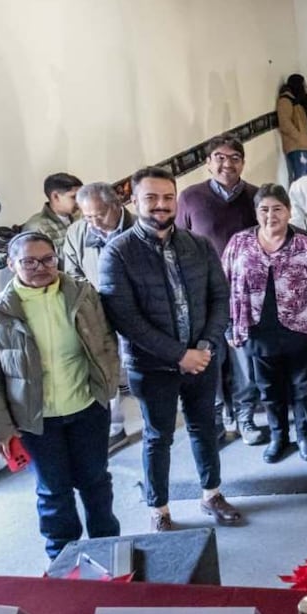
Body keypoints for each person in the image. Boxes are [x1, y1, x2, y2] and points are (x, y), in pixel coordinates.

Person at [99, 166, 241, 533]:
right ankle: (159, 508)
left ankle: (211, 494)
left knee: (204, 427)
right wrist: (180, 355)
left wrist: (206, 345)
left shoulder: (199, 244)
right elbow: (126, 319)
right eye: (151, 198)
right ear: (134, 200)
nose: (161, 205)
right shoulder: (118, 252)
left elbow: (220, 297)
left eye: (167, 197)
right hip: (152, 366)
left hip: (203, 357)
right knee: (158, 436)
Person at [0, 232, 121, 559]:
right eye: (29, 261)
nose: (40, 267)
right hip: (35, 420)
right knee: (53, 491)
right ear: (12, 264)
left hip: (86, 407)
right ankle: (62, 559)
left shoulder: (83, 294)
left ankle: (108, 549)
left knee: (95, 482)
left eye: (47, 259)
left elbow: (106, 342)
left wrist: (108, 384)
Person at [223, 184, 307, 464]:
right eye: (264, 210)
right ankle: (278, 437)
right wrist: (228, 324)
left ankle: (304, 436)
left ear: (288, 211)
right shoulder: (239, 243)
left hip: (298, 328)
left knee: (301, 387)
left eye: (277, 209)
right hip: (257, 330)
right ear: (256, 212)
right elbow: (223, 285)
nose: (270, 216)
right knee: (269, 390)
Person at [176, 133, 266, 447]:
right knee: (209, 360)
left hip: (243, 296)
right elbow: (178, 244)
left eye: (235, 158)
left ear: (243, 162)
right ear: (208, 162)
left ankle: (244, 417)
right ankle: (214, 419)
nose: (228, 164)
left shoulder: (255, 196)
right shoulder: (190, 197)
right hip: (203, 297)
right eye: (220, 157)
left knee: (243, 360)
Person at [62, 182, 135, 448]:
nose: (93, 223)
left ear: (116, 205)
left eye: (99, 215)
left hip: (138, 311)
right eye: (87, 216)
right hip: (98, 311)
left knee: (141, 367)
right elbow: (72, 273)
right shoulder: (77, 232)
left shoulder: (138, 227)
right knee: (105, 369)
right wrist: (94, 297)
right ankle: (115, 428)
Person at [23, 172, 83, 255]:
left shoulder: (84, 218)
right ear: (55, 197)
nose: (79, 201)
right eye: (74, 197)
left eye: (81, 196)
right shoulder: (37, 227)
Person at [277, 74, 307, 181]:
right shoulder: (285, 100)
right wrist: (299, 137)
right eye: (304, 86)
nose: (305, 88)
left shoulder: (297, 100)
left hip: (306, 145)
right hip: (297, 147)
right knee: (300, 178)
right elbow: (285, 124)